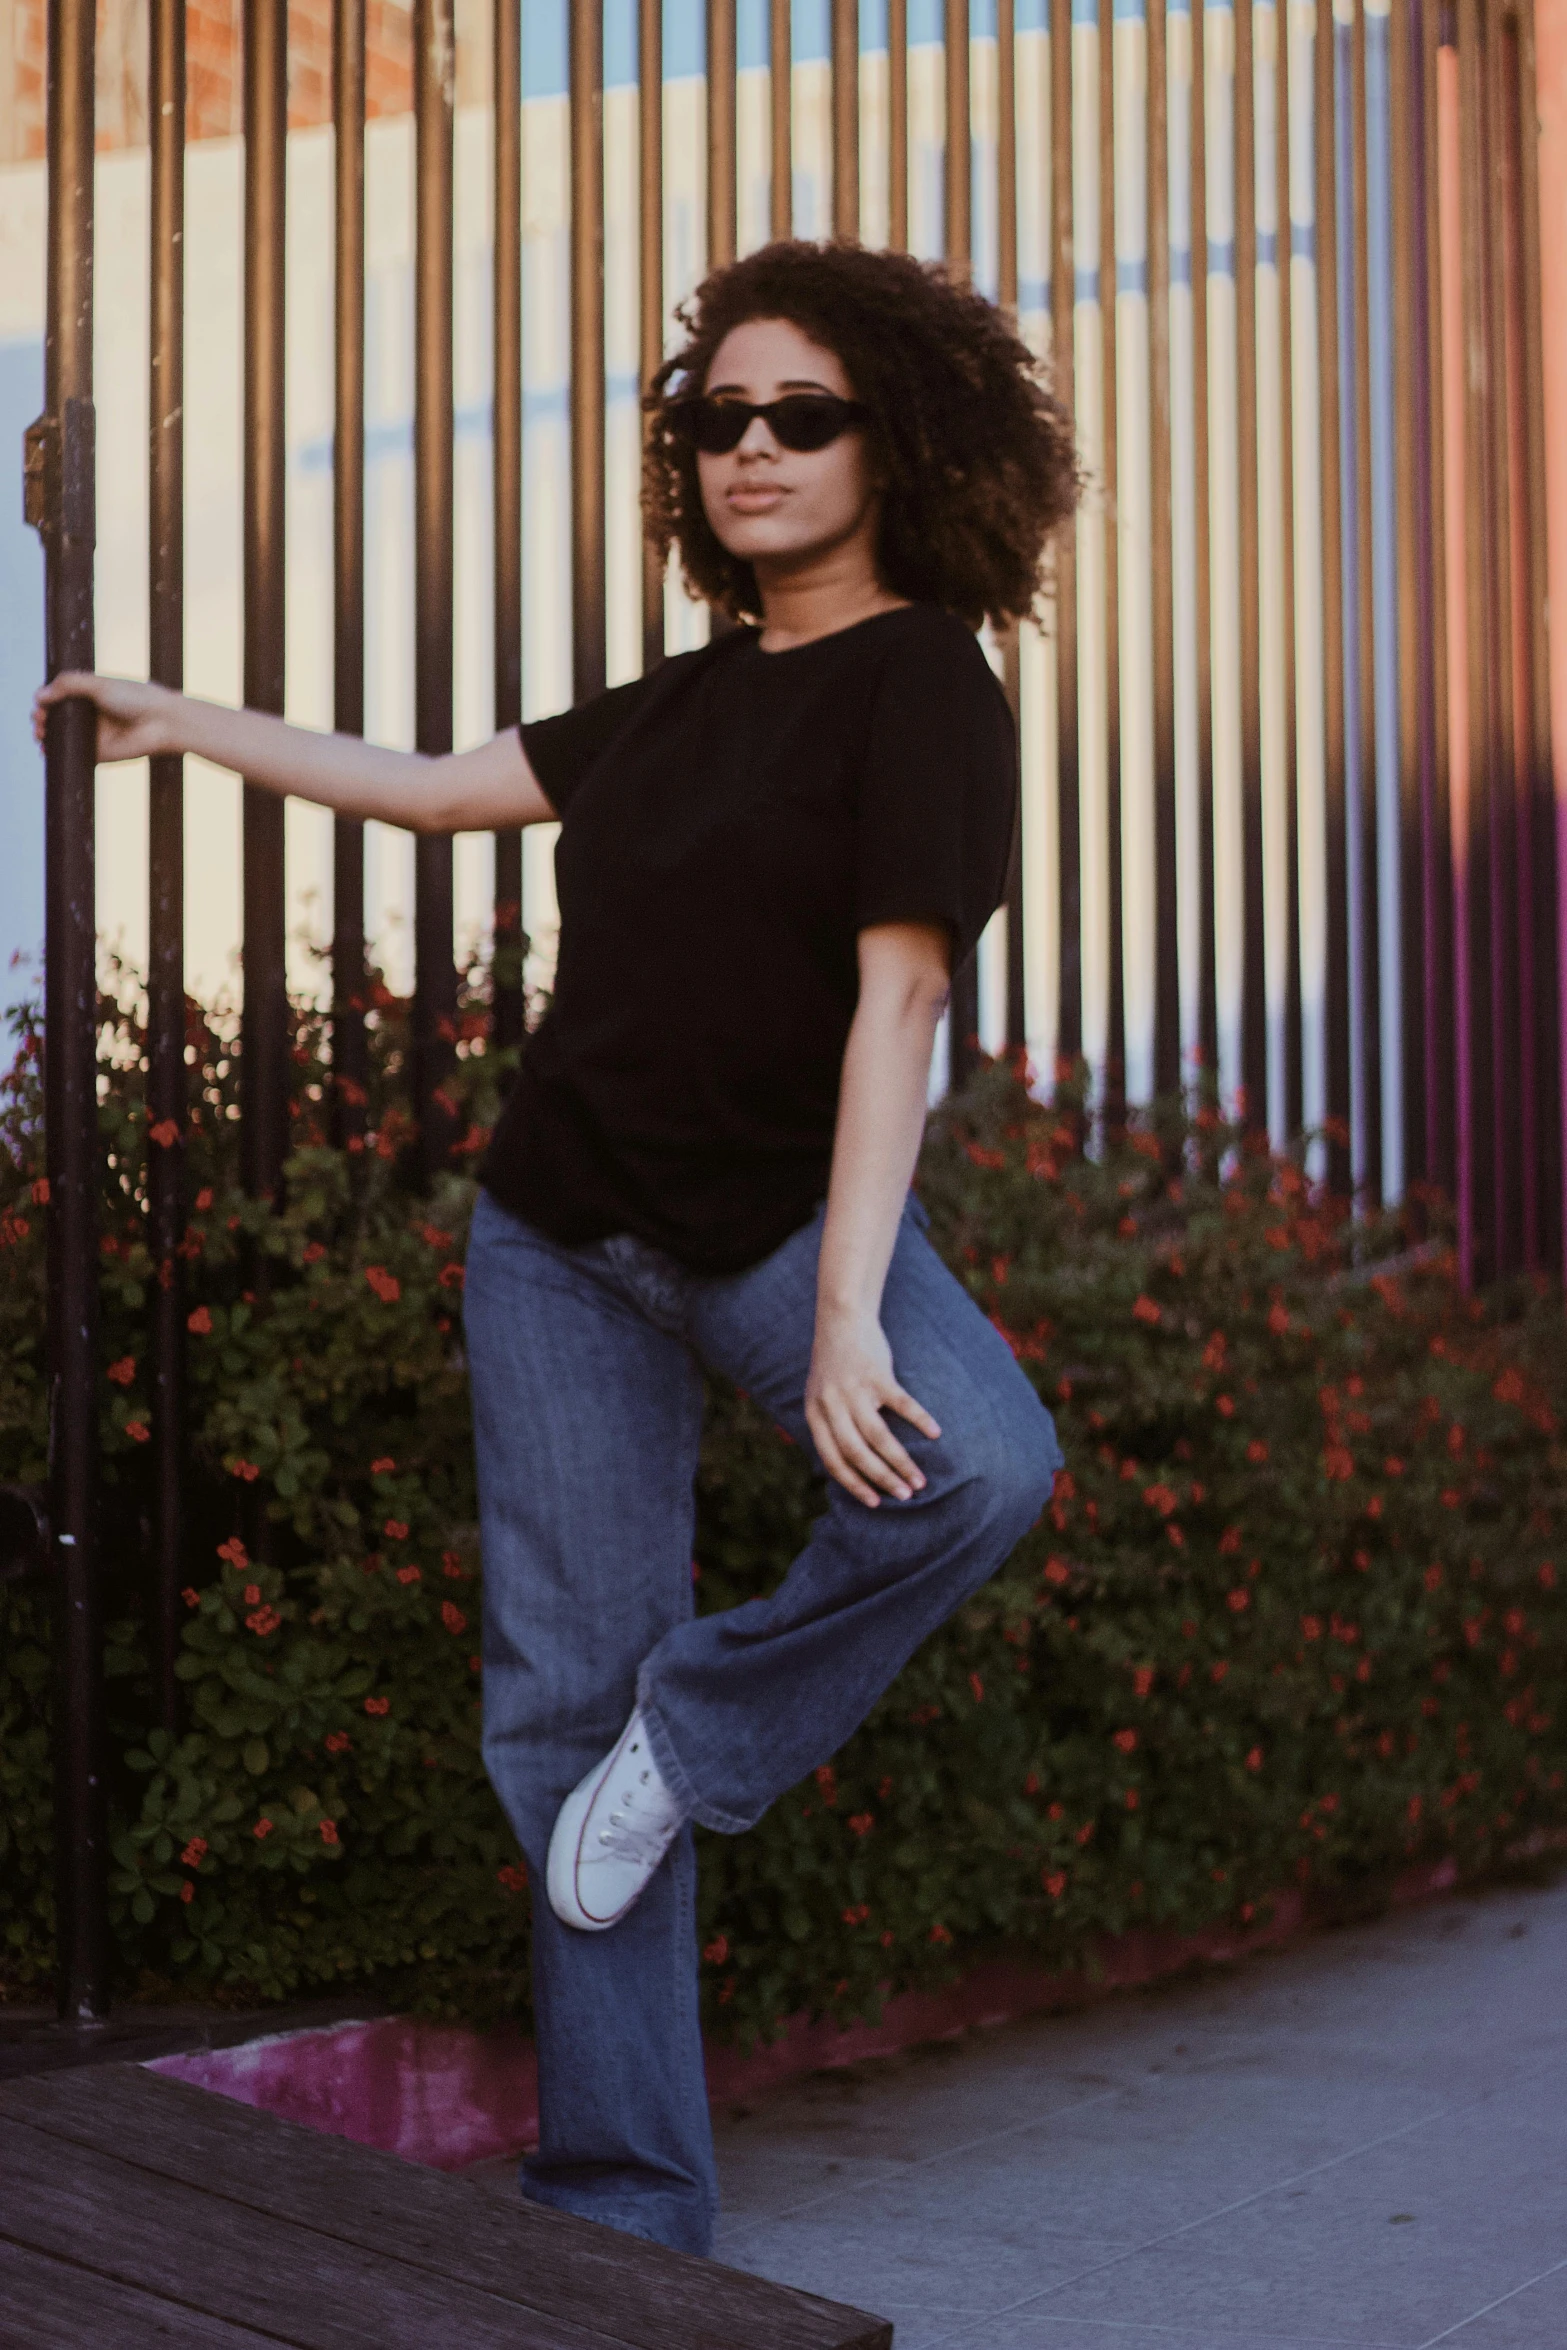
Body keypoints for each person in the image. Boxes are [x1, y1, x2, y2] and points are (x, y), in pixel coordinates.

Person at [36, 238, 1079, 2257]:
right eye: (715, 420)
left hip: (785, 1228)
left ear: (901, 437)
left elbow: (899, 1007)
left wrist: (852, 1314)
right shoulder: (681, 701)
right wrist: (190, 719)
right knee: (559, 1717)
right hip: (562, 1242)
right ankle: (621, 2211)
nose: (749, 451)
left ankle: (694, 1736)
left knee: (979, 1461)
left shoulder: (924, 680)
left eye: (801, 415)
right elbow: (434, 795)